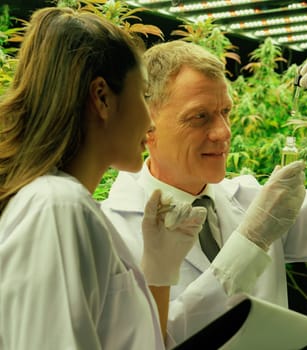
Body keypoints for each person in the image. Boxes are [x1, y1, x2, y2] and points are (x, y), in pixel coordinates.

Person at [101, 40, 307, 345]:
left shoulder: (250, 200)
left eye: (226, 112)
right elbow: (150, 339)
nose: (223, 132)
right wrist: (251, 240)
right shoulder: (111, 231)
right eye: (200, 117)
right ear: (147, 125)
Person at [0, 7, 209, 349]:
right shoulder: (57, 206)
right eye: (143, 95)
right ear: (102, 98)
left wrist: (157, 275)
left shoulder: (64, 203)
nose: (151, 122)